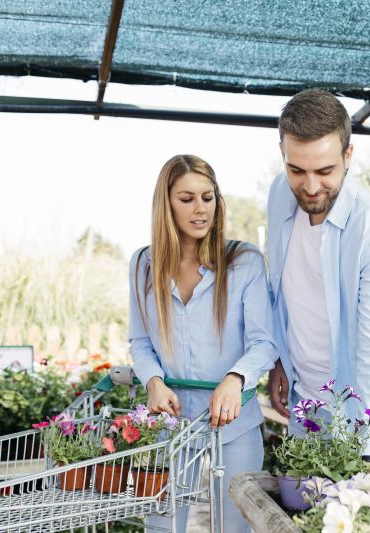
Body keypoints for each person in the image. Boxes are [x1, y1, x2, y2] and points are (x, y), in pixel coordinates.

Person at [129, 154, 277, 533]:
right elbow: (141, 340)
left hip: (235, 425)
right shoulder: (143, 265)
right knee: (161, 526)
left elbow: (264, 341)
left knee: (236, 525)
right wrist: (154, 382)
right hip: (169, 426)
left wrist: (235, 378)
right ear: (166, 204)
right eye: (187, 198)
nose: (200, 209)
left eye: (207, 198)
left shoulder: (243, 261)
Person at [265, 89, 370, 461]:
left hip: (354, 419)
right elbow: (286, 291)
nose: (310, 187)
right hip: (300, 407)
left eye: (325, 171)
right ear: (283, 153)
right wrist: (280, 360)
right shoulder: (280, 193)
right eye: (297, 169)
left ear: (348, 155)